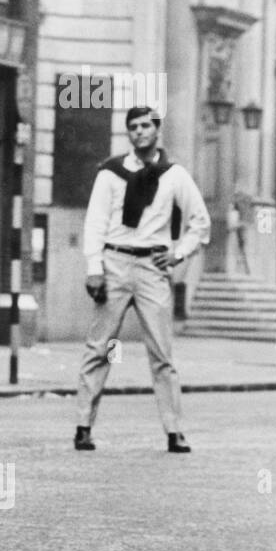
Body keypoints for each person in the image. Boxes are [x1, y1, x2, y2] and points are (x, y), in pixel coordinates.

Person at [73, 105, 210, 453]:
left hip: (152, 267)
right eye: (133, 127)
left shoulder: (174, 175)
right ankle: (83, 426)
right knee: (99, 348)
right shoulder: (110, 173)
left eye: (146, 126)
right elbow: (95, 221)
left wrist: (178, 253)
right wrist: (94, 266)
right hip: (115, 261)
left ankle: (174, 431)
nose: (139, 132)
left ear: (157, 130)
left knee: (162, 354)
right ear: (128, 132)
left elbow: (200, 222)